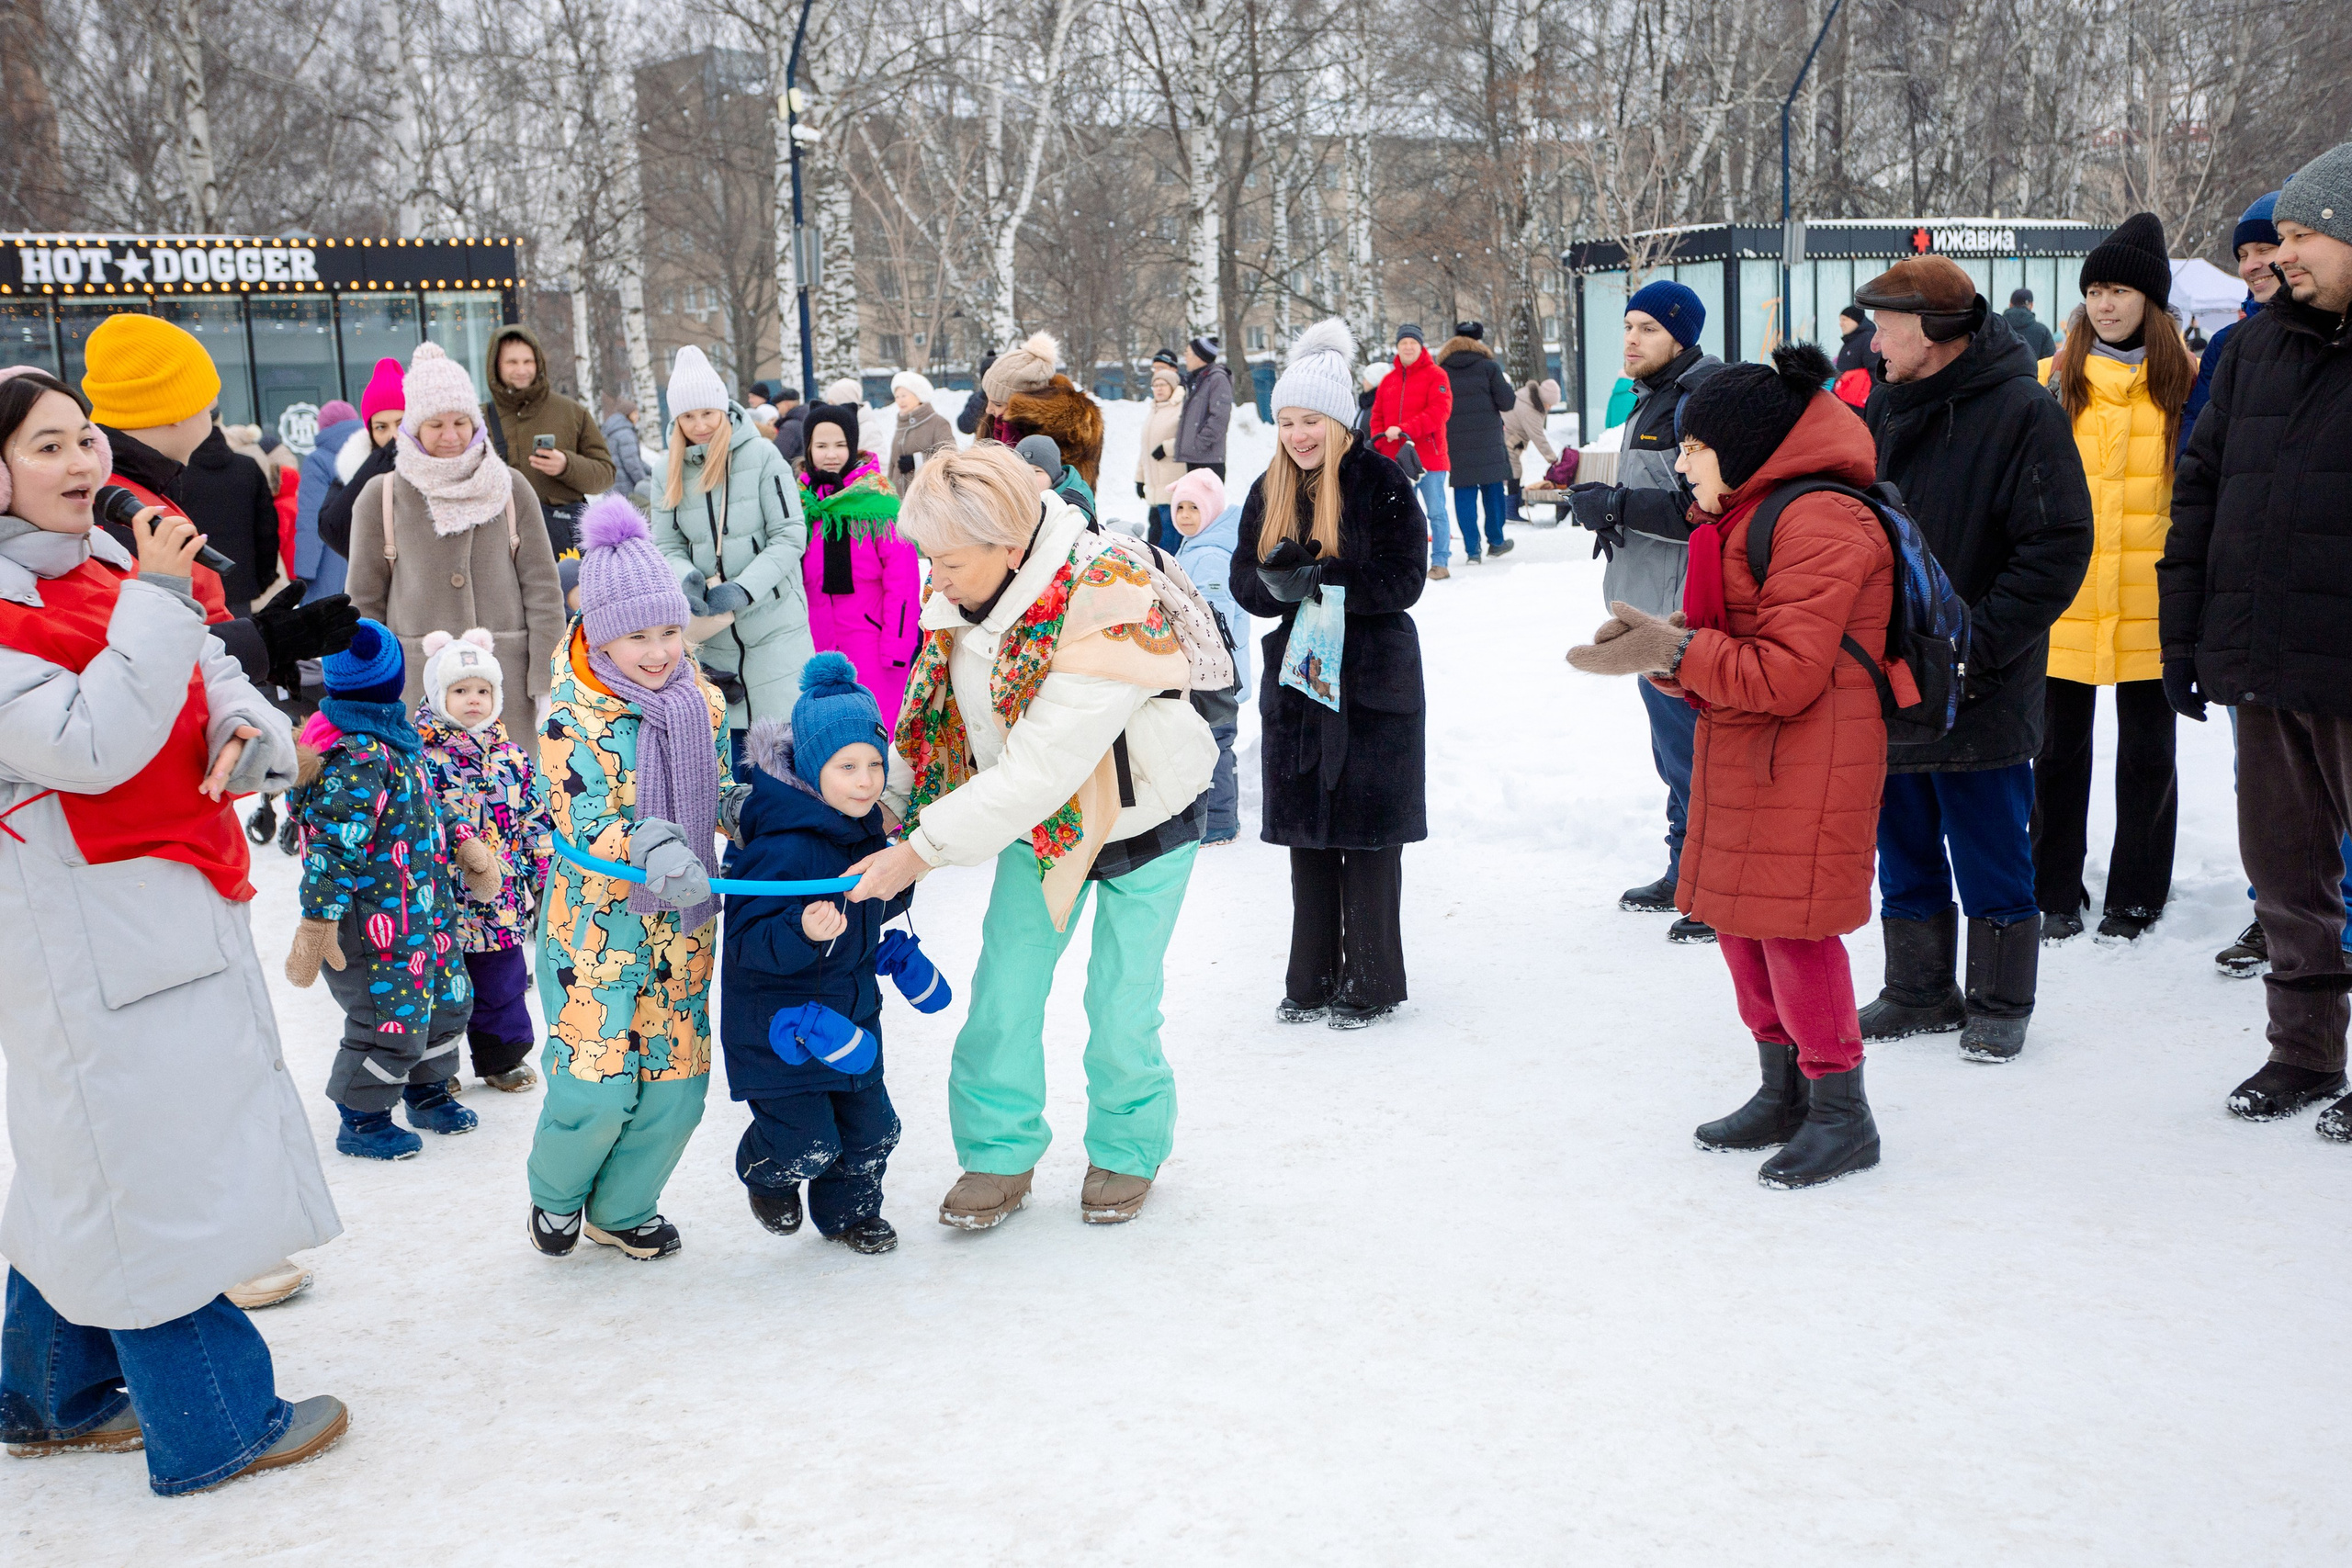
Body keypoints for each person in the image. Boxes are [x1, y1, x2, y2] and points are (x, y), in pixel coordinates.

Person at [0, 367, 348, 1496]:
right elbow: (89, 740)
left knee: (89, 1168)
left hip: (172, 904)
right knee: (139, 1175)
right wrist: (155, 593)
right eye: (47, 447)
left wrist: (254, 736)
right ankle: (216, 1420)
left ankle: (48, 1394)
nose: (83, 464)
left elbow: (212, 677)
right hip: (80, 935)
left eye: (87, 439)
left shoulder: (112, 573)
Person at [849, 444, 1216, 1229]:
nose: (933, 579)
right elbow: (932, 715)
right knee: (1005, 991)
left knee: (1121, 998)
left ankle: (1127, 1144)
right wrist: (884, 806)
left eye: (946, 562)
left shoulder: (1104, 591)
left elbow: (1038, 769)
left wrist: (918, 851)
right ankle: (997, 1153)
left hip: (1143, 819)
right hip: (1041, 831)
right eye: (928, 561)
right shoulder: (960, 589)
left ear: (1007, 547)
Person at [1566, 343, 1893, 1189]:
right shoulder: (1750, 511)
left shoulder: (1822, 518)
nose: (1680, 463)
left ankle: (1840, 1110)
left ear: (1740, 450)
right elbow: (1742, 640)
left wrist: (1677, 647)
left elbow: (1786, 672)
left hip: (1810, 753)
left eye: (1693, 448)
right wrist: (1665, 647)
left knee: (1794, 929)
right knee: (1742, 921)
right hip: (1752, 747)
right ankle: (1780, 1085)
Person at [1850, 255, 2093, 1061]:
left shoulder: (2025, 410)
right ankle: (1918, 988)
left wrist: (1976, 646)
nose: (1873, 339)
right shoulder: (1887, 403)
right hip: (1894, 672)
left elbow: (2057, 546)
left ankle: (2000, 999)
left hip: (1983, 676)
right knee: (1903, 833)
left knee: (1989, 840)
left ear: (1937, 330)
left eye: (1886, 324)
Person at [2158, 141, 2352, 1130]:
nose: (2282, 253)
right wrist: (2181, 636)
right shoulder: (2254, 347)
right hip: (2265, 656)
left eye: (2302, 232)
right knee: (2284, 873)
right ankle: (2304, 1055)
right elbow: (2198, 495)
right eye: (2277, 237)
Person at [526, 496, 733, 1260]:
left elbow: (718, 791)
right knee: (596, 1084)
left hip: (681, 929)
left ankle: (623, 1206)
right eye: (636, 635)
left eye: (669, 631)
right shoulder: (570, 716)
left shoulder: (700, 702)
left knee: (675, 1088)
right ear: (601, 633)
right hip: (597, 932)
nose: (657, 651)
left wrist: (760, 812)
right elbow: (581, 820)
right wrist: (649, 842)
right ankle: (556, 1193)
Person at [1228, 319, 1426, 1029]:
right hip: (1301, 682)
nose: (1297, 435)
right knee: (1309, 838)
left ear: (1339, 421)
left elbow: (1405, 580)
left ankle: (1371, 977)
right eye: (1285, 422)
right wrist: (1278, 586)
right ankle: (1309, 977)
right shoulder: (1269, 485)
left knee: (1369, 838)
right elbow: (1242, 581)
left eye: (1309, 420)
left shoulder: (1381, 479)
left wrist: (1328, 578)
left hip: (1372, 678)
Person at [2035, 212, 2195, 943]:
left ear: (2150, 300)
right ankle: (2053, 887)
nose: (2104, 303)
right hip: (2066, 600)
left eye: (2120, 289)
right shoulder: (2053, 380)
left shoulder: (2186, 386)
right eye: (2095, 289)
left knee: (2147, 756)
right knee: (2056, 752)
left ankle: (2136, 892)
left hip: (2151, 601)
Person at [721, 659, 910, 1256]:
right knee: (809, 1141)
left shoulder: (864, 828)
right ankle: (766, 1168)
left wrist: (899, 880)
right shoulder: (780, 845)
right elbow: (747, 943)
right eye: (846, 766)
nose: (865, 780)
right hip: (782, 1030)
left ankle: (849, 1212)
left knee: (874, 1131)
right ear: (810, 767)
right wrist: (799, 927)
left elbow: (877, 898)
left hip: (850, 1015)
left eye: (875, 764)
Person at [284, 618, 488, 1156]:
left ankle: (426, 1091)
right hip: (372, 923)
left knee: (446, 1002)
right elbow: (333, 847)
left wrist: (462, 841)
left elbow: (425, 810)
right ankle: (363, 1116)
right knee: (387, 1019)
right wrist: (317, 920)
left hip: (424, 910)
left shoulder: (397, 742)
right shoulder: (354, 759)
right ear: (394, 679)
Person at [80, 314, 359, 695]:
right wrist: (264, 640)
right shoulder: (120, 509)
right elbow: (145, 660)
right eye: (208, 405)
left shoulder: (136, 490)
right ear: (175, 413)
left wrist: (258, 643)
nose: (213, 417)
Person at [1566, 279, 1724, 942]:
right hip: (1648, 603)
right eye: (1628, 325)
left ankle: (1714, 888)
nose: (1631, 338)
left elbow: (1705, 509)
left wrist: (1616, 506)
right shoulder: (1652, 397)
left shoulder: (1701, 400)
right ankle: (1683, 867)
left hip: (1684, 613)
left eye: (1648, 328)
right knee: (1673, 753)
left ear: (1681, 335)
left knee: (1700, 752)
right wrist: (1600, 497)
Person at [346, 343, 569, 720]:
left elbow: (544, 594)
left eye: (460, 422)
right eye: (435, 425)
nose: (450, 436)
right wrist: (369, 692)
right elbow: (364, 606)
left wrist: (548, 685)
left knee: (513, 781)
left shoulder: (511, 488)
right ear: (413, 427)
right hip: (417, 693)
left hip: (506, 693)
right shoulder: (380, 497)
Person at [645, 345, 813, 741]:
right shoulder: (665, 469)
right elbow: (665, 543)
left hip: (775, 625)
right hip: (711, 634)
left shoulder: (762, 455)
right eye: (688, 416)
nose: (700, 424)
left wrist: (744, 588)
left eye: (707, 412)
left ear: (723, 407)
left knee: (785, 749)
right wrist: (687, 578)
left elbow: (790, 533)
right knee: (731, 759)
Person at [415, 626, 552, 1092]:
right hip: (440, 903)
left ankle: (502, 1057)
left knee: (502, 984)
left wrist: (543, 877)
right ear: (437, 694)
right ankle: (435, 1066)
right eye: (459, 690)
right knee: (439, 987)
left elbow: (534, 820)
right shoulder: (421, 760)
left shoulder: (513, 757)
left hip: (501, 903)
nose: (473, 699)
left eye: (482, 690)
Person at [797, 400, 918, 728]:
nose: (831, 454)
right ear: (808, 448)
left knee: (875, 733)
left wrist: (897, 646)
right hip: (814, 644)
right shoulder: (799, 504)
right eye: (821, 446)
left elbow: (903, 582)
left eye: (840, 445)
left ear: (853, 447)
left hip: (872, 646)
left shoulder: (878, 502)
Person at [481, 324, 616, 554]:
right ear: (496, 366)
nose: (521, 369)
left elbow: (605, 476)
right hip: (499, 545)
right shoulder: (478, 420)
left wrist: (567, 465)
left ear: (539, 363)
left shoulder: (571, 412)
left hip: (561, 546)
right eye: (512, 362)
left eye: (528, 361)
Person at [1170, 466, 1248, 846]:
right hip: (1206, 666)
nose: (1184, 516)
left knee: (1215, 739)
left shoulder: (1211, 555)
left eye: (1193, 508)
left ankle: (1219, 821)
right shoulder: (1197, 544)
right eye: (1179, 507)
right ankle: (1210, 814)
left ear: (1211, 510)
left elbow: (1215, 616)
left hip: (1214, 669)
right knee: (1205, 738)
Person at [1366, 324, 1453, 577]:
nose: (1407, 347)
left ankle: (1440, 562)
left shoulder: (1437, 375)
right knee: (1401, 516)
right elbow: (1377, 417)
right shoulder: (1388, 380)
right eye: (1403, 342)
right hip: (1396, 461)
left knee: (1436, 512)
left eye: (1412, 343)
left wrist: (1405, 429)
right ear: (1397, 347)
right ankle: (1406, 565)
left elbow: (1439, 413)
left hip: (1430, 458)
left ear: (1420, 346)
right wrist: (1382, 445)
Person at [179, 413, 282, 615]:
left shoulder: (180, 473)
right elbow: (267, 530)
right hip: (240, 581)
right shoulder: (248, 467)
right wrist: (263, 578)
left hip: (192, 583)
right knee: (239, 642)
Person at [1435, 321, 1519, 562]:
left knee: (1464, 493)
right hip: (1488, 442)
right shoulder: (1489, 367)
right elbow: (1507, 402)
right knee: (1493, 491)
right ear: (1478, 341)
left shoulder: (1442, 370)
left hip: (1455, 442)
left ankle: (1472, 550)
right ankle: (1496, 541)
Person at [314, 358, 405, 573]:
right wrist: (380, 461)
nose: (393, 435)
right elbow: (331, 528)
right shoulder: (354, 468)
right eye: (381, 427)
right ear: (370, 431)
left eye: (401, 424)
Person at [980, 332, 1105, 487]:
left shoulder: (1070, 431)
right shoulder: (997, 423)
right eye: (988, 400)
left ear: (1022, 406)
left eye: (997, 403)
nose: (988, 409)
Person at [294, 398, 360, 598]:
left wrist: (305, 570)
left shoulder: (318, 460)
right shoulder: (372, 452)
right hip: (366, 552)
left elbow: (310, 517)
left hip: (330, 561)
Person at [1136, 358, 1188, 550]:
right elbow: (1145, 450)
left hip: (1172, 483)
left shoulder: (1181, 409)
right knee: (1154, 533)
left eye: (1163, 385)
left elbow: (1188, 439)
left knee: (1170, 535)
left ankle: (1170, 571)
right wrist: (1139, 479)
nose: (1158, 389)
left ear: (1173, 387)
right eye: (1155, 385)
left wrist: (1167, 447)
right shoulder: (1153, 411)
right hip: (1154, 487)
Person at [887, 371, 957, 497]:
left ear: (918, 395)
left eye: (904, 395)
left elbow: (950, 455)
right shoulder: (901, 425)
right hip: (898, 501)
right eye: (897, 397)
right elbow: (893, 465)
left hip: (926, 499)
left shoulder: (937, 423)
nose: (900, 401)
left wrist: (916, 461)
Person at [1502, 377, 1560, 521]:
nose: (1550, 408)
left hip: (1513, 439)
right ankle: (1510, 510)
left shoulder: (1528, 397)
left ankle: (1513, 503)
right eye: (1549, 404)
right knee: (1514, 471)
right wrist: (1553, 459)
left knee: (1512, 472)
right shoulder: (1530, 409)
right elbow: (1538, 438)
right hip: (1508, 439)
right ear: (1544, 400)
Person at [1174, 333, 1231, 478]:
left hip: (1208, 461)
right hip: (1194, 458)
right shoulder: (1196, 380)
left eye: (1187, 353)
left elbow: (1220, 418)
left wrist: (1199, 444)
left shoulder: (1217, 379)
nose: (1185, 357)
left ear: (1199, 356)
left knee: (1205, 501)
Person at [1015, 432, 1098, 523]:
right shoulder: (1012, 497)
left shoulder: (1075, 504)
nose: (1029, 478)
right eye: (1023, 471)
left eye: (1037, 471)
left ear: (1054, 476)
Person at [601, 393, 652, 498]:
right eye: (635, 413)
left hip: (613, 486)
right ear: (628, 414)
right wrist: (643, 483)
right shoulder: (625, 433)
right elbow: (632, 464)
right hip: (626, 489)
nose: (637, 416)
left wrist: (652, 471)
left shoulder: (613, 430)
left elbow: (635, 460)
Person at [2002, 288, 2057, 360]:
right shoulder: (2042, 331)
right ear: (2031, 305)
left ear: (2010, 304)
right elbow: (2049, 363)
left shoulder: (1997, 328)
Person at [954, 356, 994, 436]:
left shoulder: (1007, 398)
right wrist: (982, 397)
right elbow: (965, 426)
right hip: (983, 445)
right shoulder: (977, 398)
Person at [773, 384, 808, 465]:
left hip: (794, 474)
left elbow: (777, 456)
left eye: (778, 407)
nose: (778, 412)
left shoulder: (790, 427)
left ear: (786, 404)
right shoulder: (809, 420)